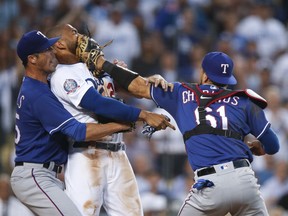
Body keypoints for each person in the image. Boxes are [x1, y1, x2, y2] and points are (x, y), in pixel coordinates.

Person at [95, 51, 280, 215]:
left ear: (204, 74)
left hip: (210, 186)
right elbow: (273, 145)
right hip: (244, 181)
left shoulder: (181, 93)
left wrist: (103, 63)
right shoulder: (244, 101)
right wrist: (260, 147)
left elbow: (137, 86)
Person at [11, 30, 173, 216]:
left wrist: (142, 80)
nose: (52, 52)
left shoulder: (45, 83)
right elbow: (80, 126)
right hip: (43, 170)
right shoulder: (40, 91)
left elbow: (105, 88)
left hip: (51, 171)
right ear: (32, 59)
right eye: (47, 50)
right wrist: (131, 120)